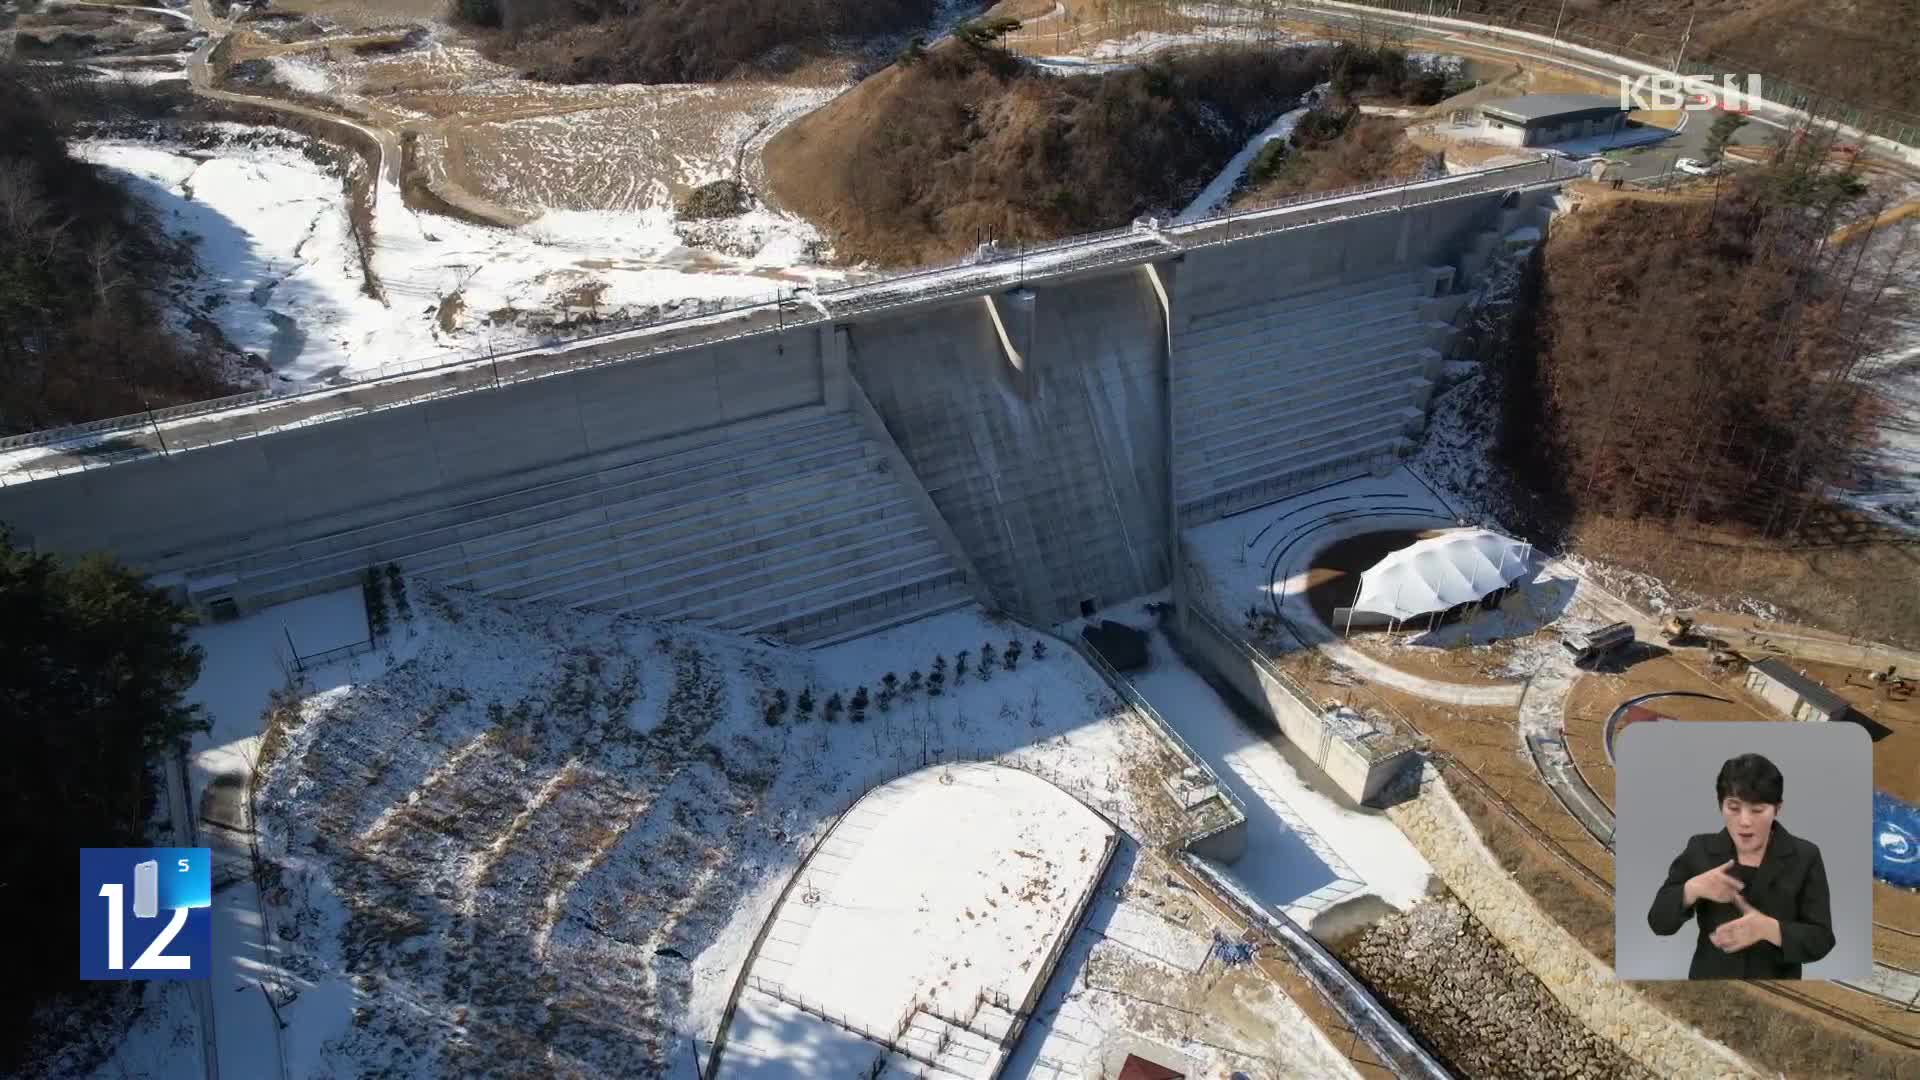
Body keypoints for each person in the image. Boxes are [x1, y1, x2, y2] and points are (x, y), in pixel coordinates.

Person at [1647, 753, 1835, 979]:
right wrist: (1692, 889)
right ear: (1720, 805)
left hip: (1777, 993)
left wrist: (1767, 929)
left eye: (1757, 810)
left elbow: (1822, 939)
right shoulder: (1700, 849)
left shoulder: (1805, 856)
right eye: (1734, 808)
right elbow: (1658, 922)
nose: (1745, 821)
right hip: (1709, 987)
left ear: (1777, 809)